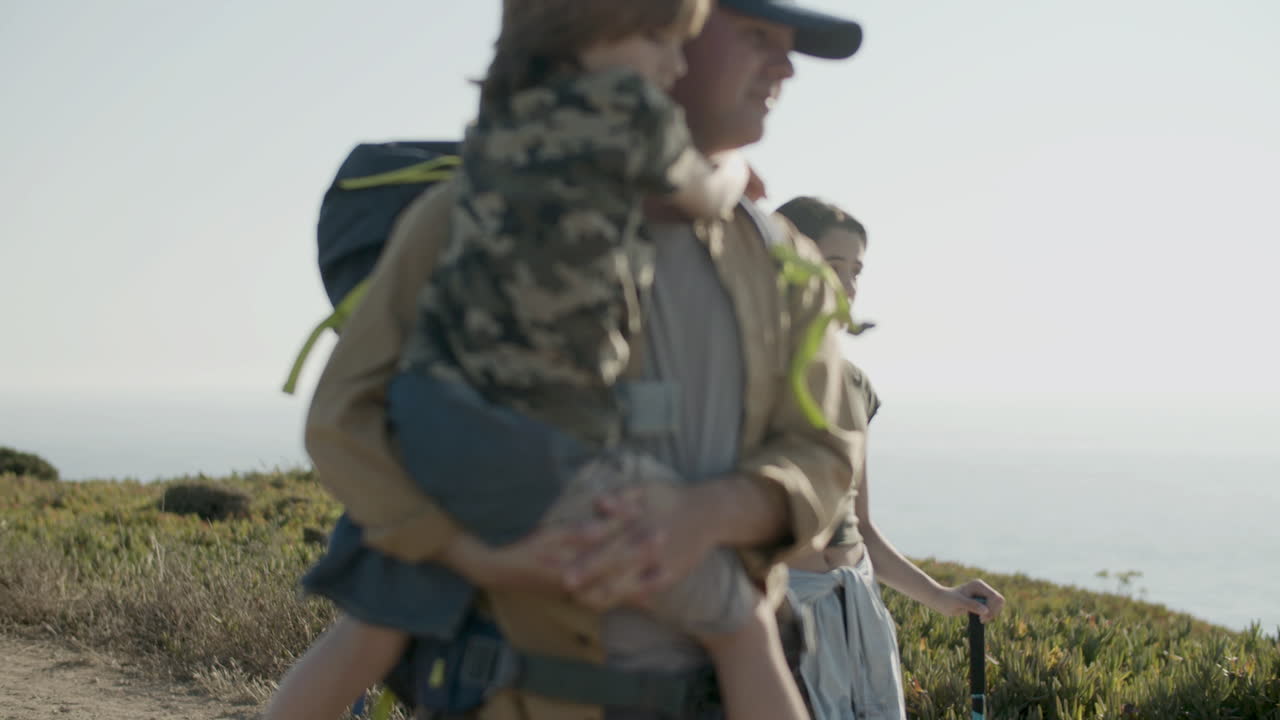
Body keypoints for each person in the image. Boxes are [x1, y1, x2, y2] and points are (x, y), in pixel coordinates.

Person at [265, 3, 868, 720]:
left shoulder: (780, 264)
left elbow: (829, 453)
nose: (786, 66)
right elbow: (343, 420)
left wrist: (706, 515)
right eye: (758, 37)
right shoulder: (464, 215)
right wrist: (466, 551)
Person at [775, 196, 1008, 720]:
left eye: (856, 270)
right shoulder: (744, 374)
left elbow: (861, 529)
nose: (849, 284)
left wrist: (943, 597)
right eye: (833, 265)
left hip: (858, 608)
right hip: (785, 612)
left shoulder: (856, 385)